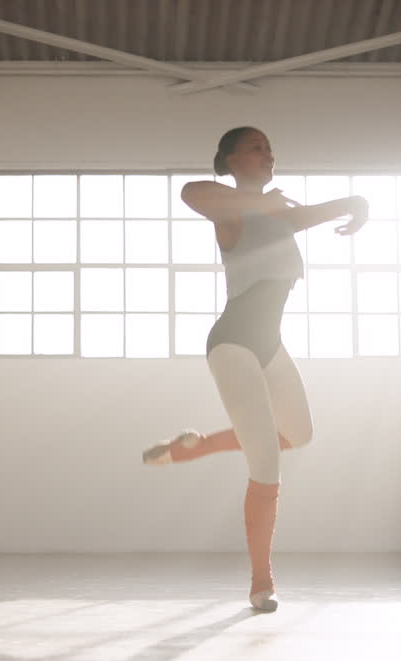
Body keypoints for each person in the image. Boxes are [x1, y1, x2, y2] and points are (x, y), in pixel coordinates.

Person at [142, 126, 369, 612]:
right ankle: (261, 582)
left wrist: (356, 200)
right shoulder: (228, 209)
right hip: (233, 344)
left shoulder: (279, 216)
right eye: (256, 147)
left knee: (299, 433)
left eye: (270, 147)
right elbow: (190, 192)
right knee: (267, 460)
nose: (268, 153)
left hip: (269, 344)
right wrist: (273, 204)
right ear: (229, 159)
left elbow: (301, 215)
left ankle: (191, 448)